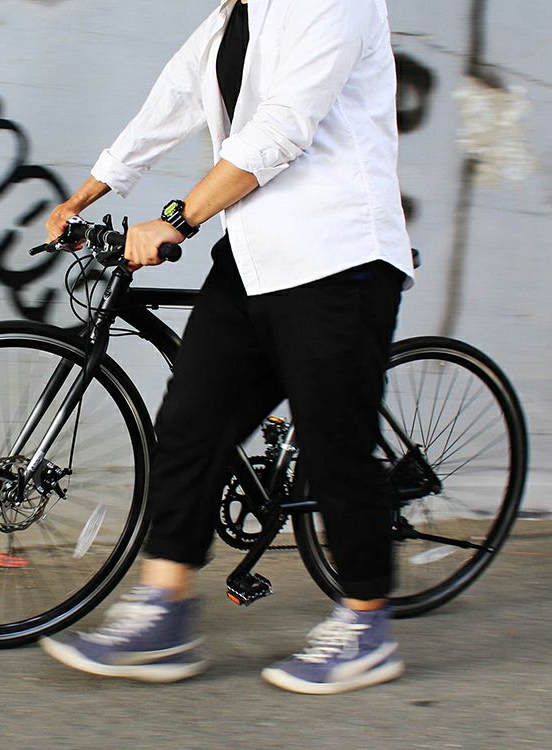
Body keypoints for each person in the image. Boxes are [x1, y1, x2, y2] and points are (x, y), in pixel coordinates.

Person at [39, 0, 414, 694]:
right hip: (251, 256)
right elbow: (171, 100)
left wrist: (178, 218)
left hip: (336, 256)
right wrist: (86, 194)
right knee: (190, 425)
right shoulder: (230, 16)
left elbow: (283, 126)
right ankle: (165, 612)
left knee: (335, 444)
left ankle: (366, 624)